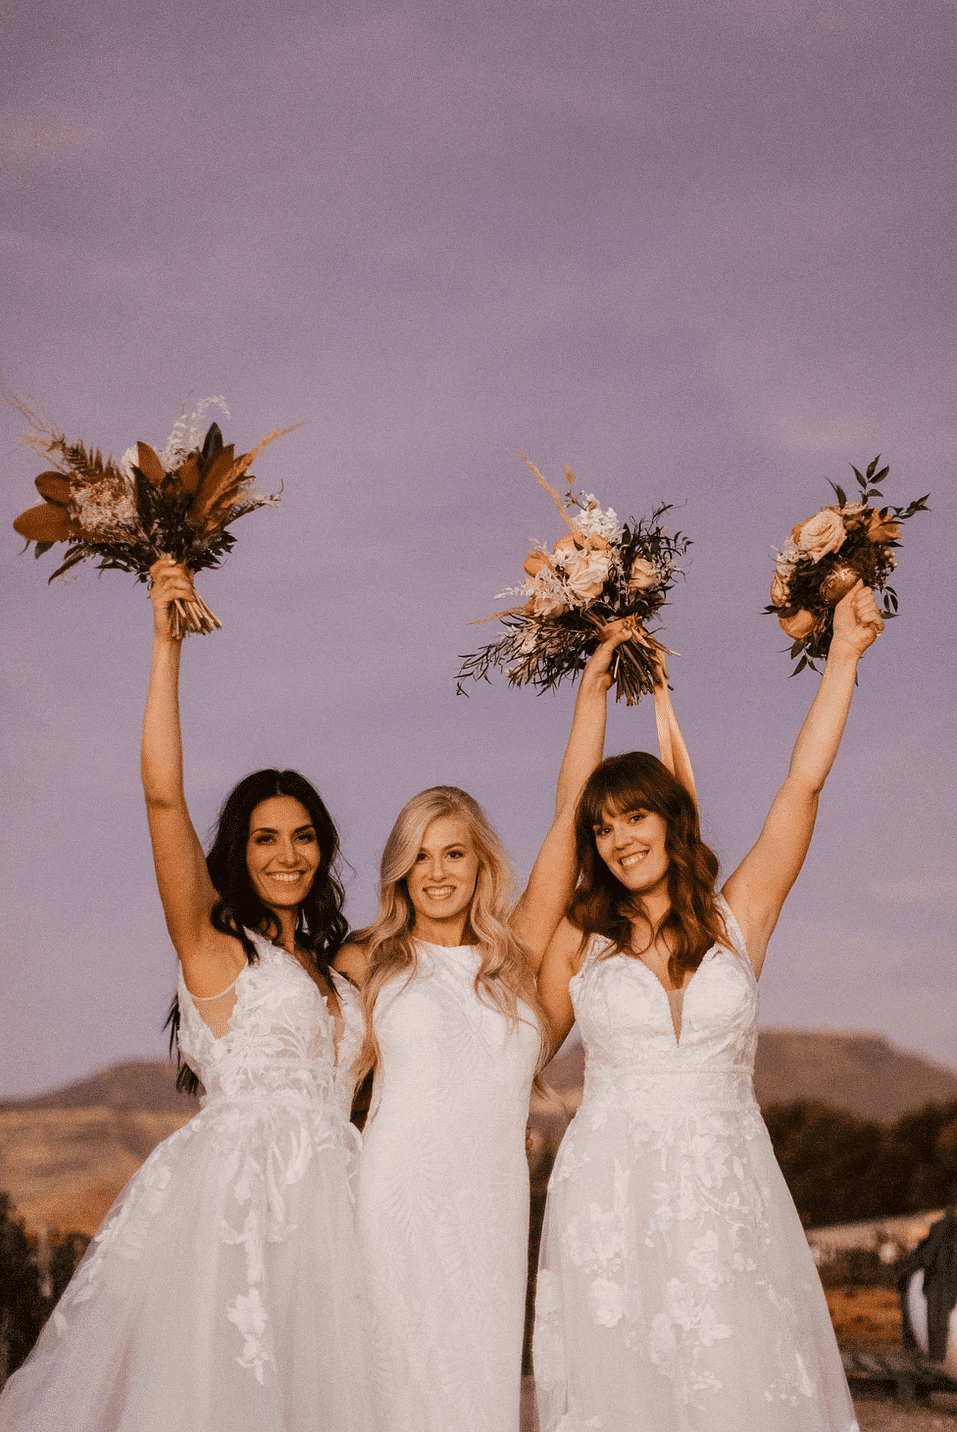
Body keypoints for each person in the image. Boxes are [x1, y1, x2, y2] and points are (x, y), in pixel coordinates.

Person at [0, 559, 377, 1431]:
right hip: (237, 1212)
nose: (287, 854)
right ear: (237, 853)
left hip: (338, 1216)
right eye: (264, 838)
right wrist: (166, 646)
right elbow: (163, 797)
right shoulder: (215, 950)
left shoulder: (346, 966)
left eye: (304, 836)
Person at [534, 582, 882, 1432]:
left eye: (635, 816)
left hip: (731, 1187)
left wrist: (841, 657)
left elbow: (800, 790)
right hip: (610, 1195)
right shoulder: (579, 942)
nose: (619, 839)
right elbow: (512, 1053)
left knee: (744, 1382)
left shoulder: (738, 916)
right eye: (602, 829)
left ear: (670, 818)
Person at [335, 631, 629, 1432]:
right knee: (391, 1385)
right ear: (401, 866)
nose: (437, 872)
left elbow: (572, 817)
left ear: (479, 864)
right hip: (391, 1203)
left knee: (476, 1387)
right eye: (421, 855)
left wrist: (591, 693)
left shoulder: (515, 960)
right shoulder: (368, 960)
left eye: (454, 853)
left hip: (490, 1205)